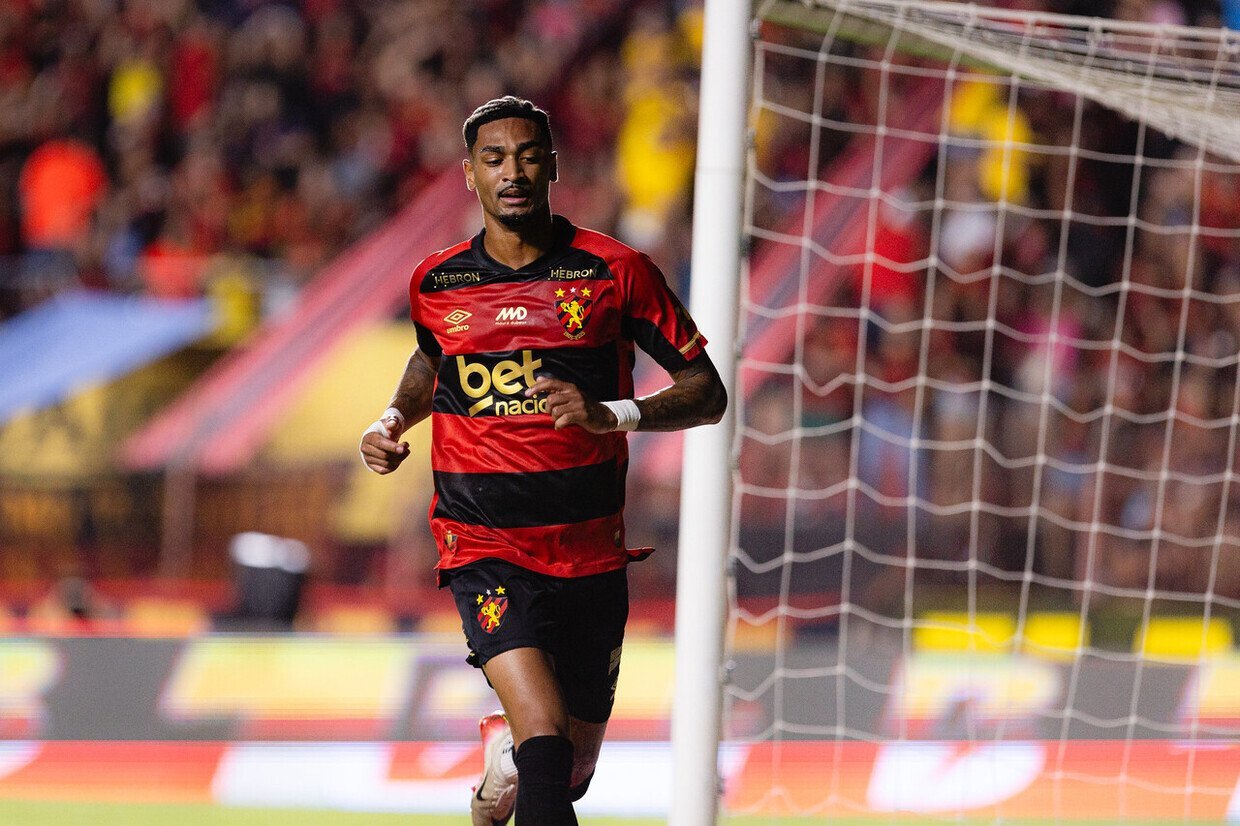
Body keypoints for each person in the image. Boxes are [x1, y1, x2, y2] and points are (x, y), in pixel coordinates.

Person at [360, 96, 726, 825]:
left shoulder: (615, 272)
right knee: (549, 743)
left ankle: (506, 766)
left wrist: (613, 414)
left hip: (590, 552)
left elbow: (706, 392)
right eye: (494, 159)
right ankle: (524, 754)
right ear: (470, 174)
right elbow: (433, 360)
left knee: (570, 770)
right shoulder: (437, 282)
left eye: (528, 156)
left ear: (553, 166)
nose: (513, 173)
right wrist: (393, 416)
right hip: (485, 546)